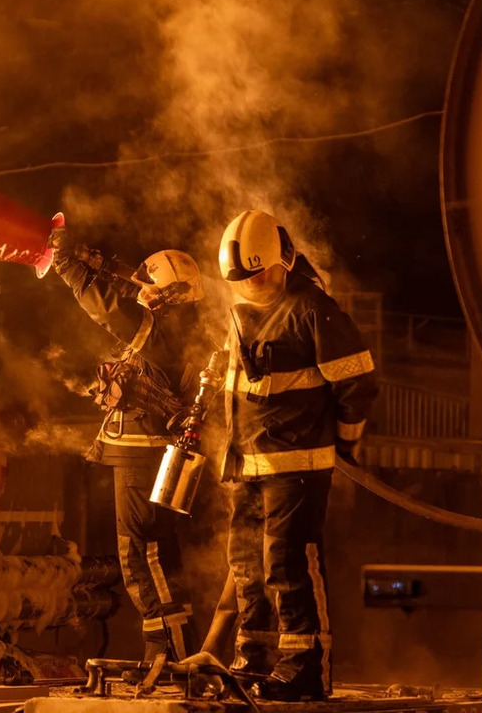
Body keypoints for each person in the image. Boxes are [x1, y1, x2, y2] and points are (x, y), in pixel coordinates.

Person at [215, 209, 378, 701]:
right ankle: (254, 655)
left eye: (258, 273)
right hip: (248, 463)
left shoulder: (312, 308)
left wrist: (347, 439)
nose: (251, 284)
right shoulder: (241, 312)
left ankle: (305, 666)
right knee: (246, 564)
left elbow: (358, 381)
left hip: (298, 465)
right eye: (242, 278)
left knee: (286, 563)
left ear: (280, 261)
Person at [49, 220, 206, 662]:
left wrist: (69, 268)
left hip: (144, 460)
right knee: (157, 556)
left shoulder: (164, 332)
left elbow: (110, 311)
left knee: (142, 554)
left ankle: (169, 657)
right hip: (149, 458)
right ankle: (172, 651)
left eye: (148, 284)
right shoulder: (179, 328)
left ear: (167, 293)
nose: (141, 289)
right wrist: (93, 262)